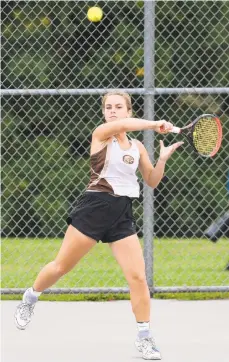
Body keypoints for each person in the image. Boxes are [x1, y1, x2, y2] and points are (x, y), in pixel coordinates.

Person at [14, 90, 183, 360]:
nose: (113, 111)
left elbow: (151, 180)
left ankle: (145, 337)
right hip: (94, 208)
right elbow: (121, 127)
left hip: (122, 214)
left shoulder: (137, 147)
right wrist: (154, 124)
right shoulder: (102, 134)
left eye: (119, 107)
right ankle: (30, 297)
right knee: (61, 267)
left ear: (129, 109)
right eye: (108, 107)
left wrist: (161, 159)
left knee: (138, 278)